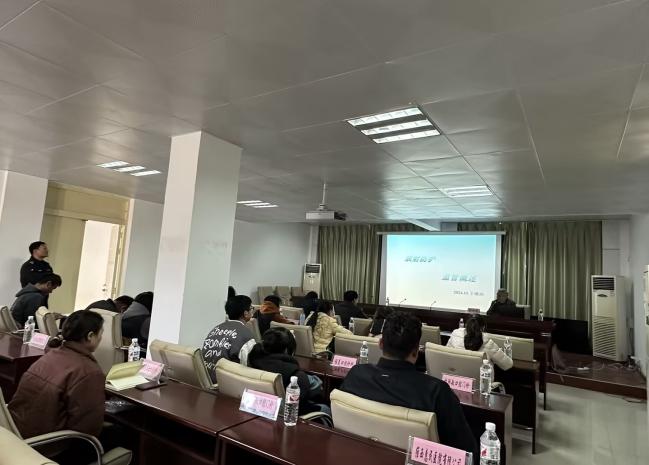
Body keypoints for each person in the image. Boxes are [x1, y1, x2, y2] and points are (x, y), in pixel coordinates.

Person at [340, 311, 478, 457]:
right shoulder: (436, 392)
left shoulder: (356, 374)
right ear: (416, 351)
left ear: (380, 343)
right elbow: (467, 454)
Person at [9, 310, 108, 464]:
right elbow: (88, 428)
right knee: (118, 433)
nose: (101, 338)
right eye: (100, 333)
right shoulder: (89, 371)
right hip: (49, 448)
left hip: (17, 436)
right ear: (90, 336)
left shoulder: (50, 355)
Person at [248, 327, 327, 415]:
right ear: (287, 350)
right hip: (285, 417)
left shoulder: (252, 361)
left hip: (256, 410)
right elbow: (295, 409)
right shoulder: (296, 376)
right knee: (325, 408)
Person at [202, 295, 257, 383]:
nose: (252, 310)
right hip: (227, 383)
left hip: (207, 380)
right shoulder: (246, 335)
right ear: (245, 313)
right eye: (251, 308)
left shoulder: (216, 329)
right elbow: (249, 369)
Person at [446, 315, 513, 370]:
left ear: (466, 325)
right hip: (482, 381)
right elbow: (508, 365)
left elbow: (446, 354)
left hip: (456, 377)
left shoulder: (455, 335)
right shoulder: (488, 343)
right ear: (483, 328)